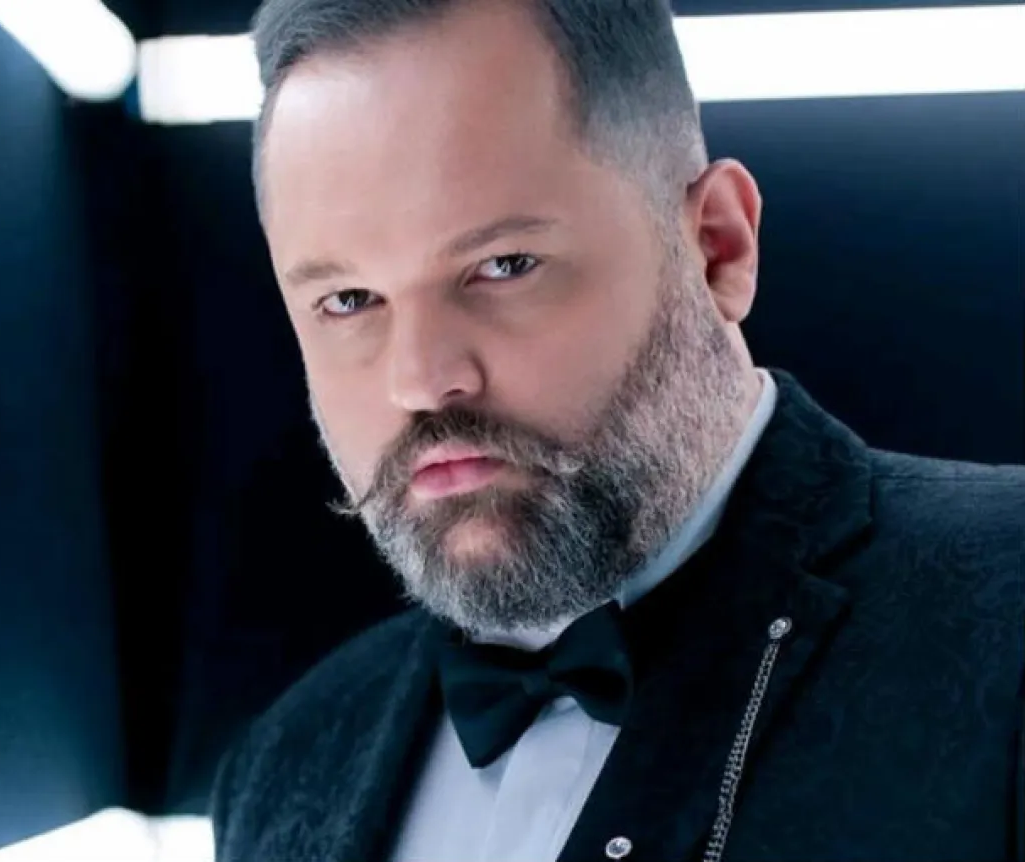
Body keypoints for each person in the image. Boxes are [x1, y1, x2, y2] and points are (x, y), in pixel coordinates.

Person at [209, 0, 1025, 858]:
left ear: (717, 247)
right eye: (348, 300)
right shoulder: (281, 763)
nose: (419, 380)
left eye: (503, 266)